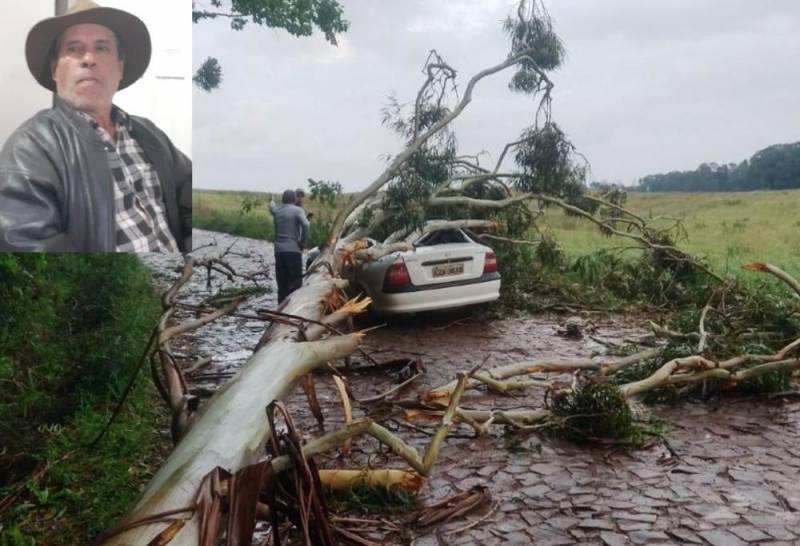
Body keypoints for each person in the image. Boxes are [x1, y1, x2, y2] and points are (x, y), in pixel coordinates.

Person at [0, 0, 191, 252]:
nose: (89, 59)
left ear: (120, 66)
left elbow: (190, 198)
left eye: (101, 47)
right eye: (74, 48)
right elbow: (25, 243)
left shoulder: (149, 134)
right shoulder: (29, 147)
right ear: (55, 69)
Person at [273, 189, 309, 303]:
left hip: (279, 251)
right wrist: (303, 242)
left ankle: (279, 313)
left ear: (283, 200)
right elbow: (306, 224)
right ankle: (293, 312)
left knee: (282, 285)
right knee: (295, 285)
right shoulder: (298, 210)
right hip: (293, 251)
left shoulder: (277, 211)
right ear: (294, 199)